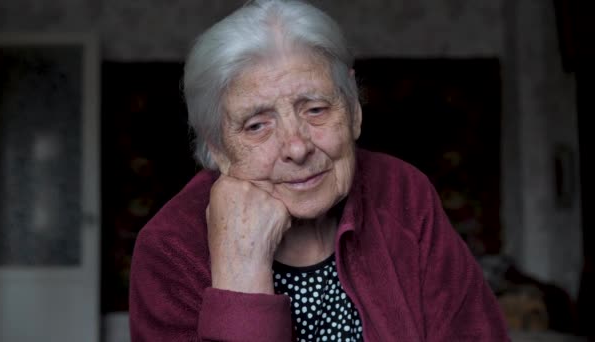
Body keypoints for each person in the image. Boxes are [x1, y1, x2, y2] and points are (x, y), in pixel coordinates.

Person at [129, 0, 510, 341]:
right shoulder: (170, 247)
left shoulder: (403, 193)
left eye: (315, 109)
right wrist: (241, 272)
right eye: (257, 125)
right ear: (218, 149)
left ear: (354, 112)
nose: (297, 147)